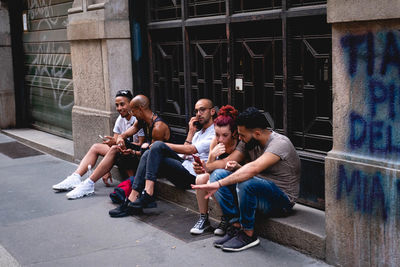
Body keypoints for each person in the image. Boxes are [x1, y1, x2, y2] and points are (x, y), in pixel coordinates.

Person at [192, 107, 301, 252]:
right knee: (218, 174)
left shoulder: (280, 144)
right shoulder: (248, 141)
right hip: (256, 191)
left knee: (246, 181)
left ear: (256, 133)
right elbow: (226, 163)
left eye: (242, 136)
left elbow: (253, 169)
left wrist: (219, 184)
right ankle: (236, 226)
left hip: (281, 201)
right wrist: (211, 166)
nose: (239, 139)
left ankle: (248, 234)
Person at [109, 98, 216, 217]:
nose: (198, 114)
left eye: (202, 110)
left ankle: (147, 193)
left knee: (157, 146)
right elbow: (184, 154)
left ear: (212, 112)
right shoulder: (198, 133)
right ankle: (132, 198)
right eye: (196, 111)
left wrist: (163, 145)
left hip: (194, 175)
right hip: (183, 166)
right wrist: (191, 132)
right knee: (148, 153)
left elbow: (191, 149)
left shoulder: (215, 133)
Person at [64, 94, 170, 199]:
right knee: (115, 148)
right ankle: (88, 183)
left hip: (157, 164)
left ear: (140, 109)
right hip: (145, 154)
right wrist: (120, 139)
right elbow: (126, 133)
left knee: (119, 150)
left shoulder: (158, 128)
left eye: (133, 110)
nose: (132, 113)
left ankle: (89, 184)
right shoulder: (142, 121)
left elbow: (152, 155)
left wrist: (132, 152)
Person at [52, 90, 145, 192]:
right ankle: (75, 177)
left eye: (122, 104)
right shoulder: (120, 119)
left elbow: (140, 145)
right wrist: (106, 168)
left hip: (134, 153)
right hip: (121, 150)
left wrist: (118, 144)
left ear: (131, 104)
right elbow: (115, 141)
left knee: (115, 148)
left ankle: (90, 183)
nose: (119, 108)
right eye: (117, 105)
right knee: (96, 147)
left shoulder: (137, 119)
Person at [190, 105, 239, 235]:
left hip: (237, 181)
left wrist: (208, 163)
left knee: (216, 175)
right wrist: (211, 156)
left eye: (225, 135)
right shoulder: (215, 141)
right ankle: (204, 218)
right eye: (217, 134)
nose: (220, 139)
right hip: (220, 177)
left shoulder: (239, 143)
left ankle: (227, 218)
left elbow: (217, 166)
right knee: (201, 178)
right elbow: (209, 168)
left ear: (234, 133)